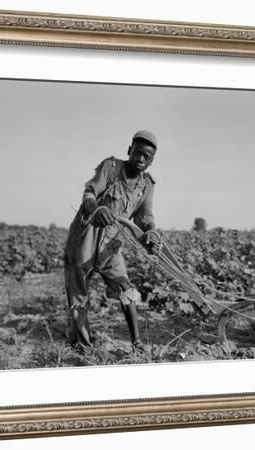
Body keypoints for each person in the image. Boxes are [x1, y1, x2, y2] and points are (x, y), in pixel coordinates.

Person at [64, 130, 162, 352]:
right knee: (79, 292)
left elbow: (145, 215)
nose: (140, 159)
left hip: (112, 243)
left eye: (146, 157)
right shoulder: (110, 167)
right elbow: (89, 193)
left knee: (126, 288)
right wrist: (97, 208)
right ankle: (82, 346)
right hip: (87, 235)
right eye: (137, 153)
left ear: (151, 161)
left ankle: (136, 342)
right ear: (129, 151)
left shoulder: (147, 184)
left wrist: (151, 231)